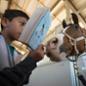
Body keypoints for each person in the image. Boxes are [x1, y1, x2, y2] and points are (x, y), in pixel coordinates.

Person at [0, 9, 45, 85]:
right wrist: (31, 60)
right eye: (22, 24)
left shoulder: (16, 53)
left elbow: (22, 80)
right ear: (5, 22)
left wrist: (30, 59)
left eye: (27, 27)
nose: (25, 30)